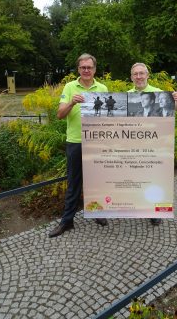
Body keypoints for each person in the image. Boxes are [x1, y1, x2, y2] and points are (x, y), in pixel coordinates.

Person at [49, 54, 108, 238]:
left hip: (96, 141)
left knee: (97, 181)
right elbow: (59, 114)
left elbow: (108, 115)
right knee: (74, 182)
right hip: (75, 142)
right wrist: (72, 102)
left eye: (89, 67)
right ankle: (67, 221)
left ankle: (97, 213)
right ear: (78, 69)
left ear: (95, 69)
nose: (86, 70)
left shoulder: (103, 88)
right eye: (83, 67)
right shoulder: (69, 87)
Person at [128, 62, 177, 226]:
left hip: (155, 146)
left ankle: (155, 212)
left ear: (147, 75)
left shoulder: (159, 94)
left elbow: (171, 114)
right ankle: (137, 206)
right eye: (135, 74)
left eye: (141, 73)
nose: (138, 77)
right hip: (135, 147)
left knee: (155, 179)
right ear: (131, 77)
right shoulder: (126, 94)